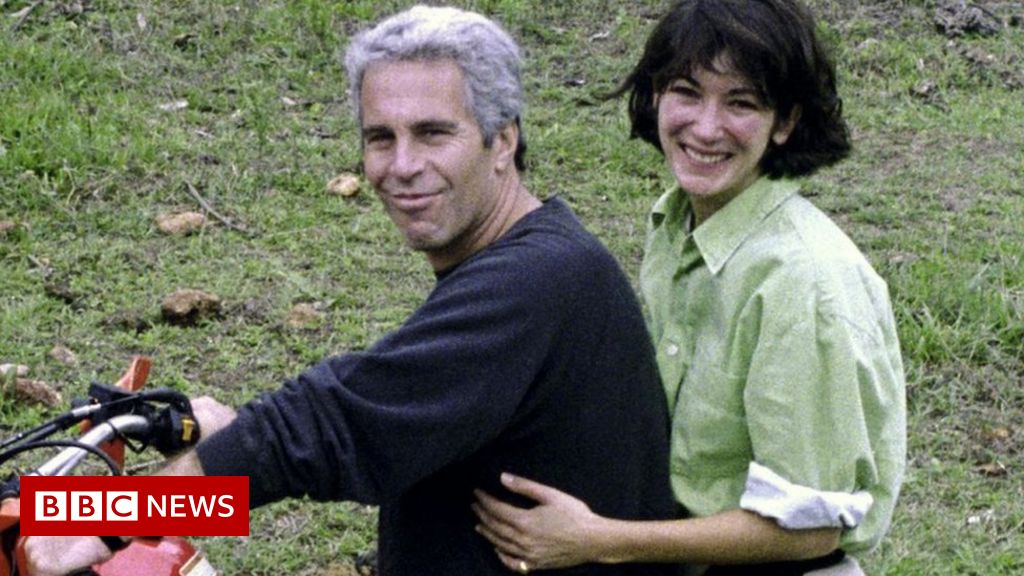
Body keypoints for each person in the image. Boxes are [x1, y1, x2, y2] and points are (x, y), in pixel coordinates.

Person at [23, 6, 680, 576]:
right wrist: (229, 436)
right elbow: (372, 415)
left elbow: (328, 428)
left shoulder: (537, 282)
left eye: (433, 133)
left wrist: (103, 518)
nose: (402, 166)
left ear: (502, 140)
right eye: (380, 138)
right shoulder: (537, 257)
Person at [473, 1, 907, 574]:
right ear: (656, 97)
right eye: (687, 92)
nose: (705, 127)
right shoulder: (676, 223)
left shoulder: (804, 283)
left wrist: (601, 539)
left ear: (785, 122)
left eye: (741, 103)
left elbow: (811, 527)